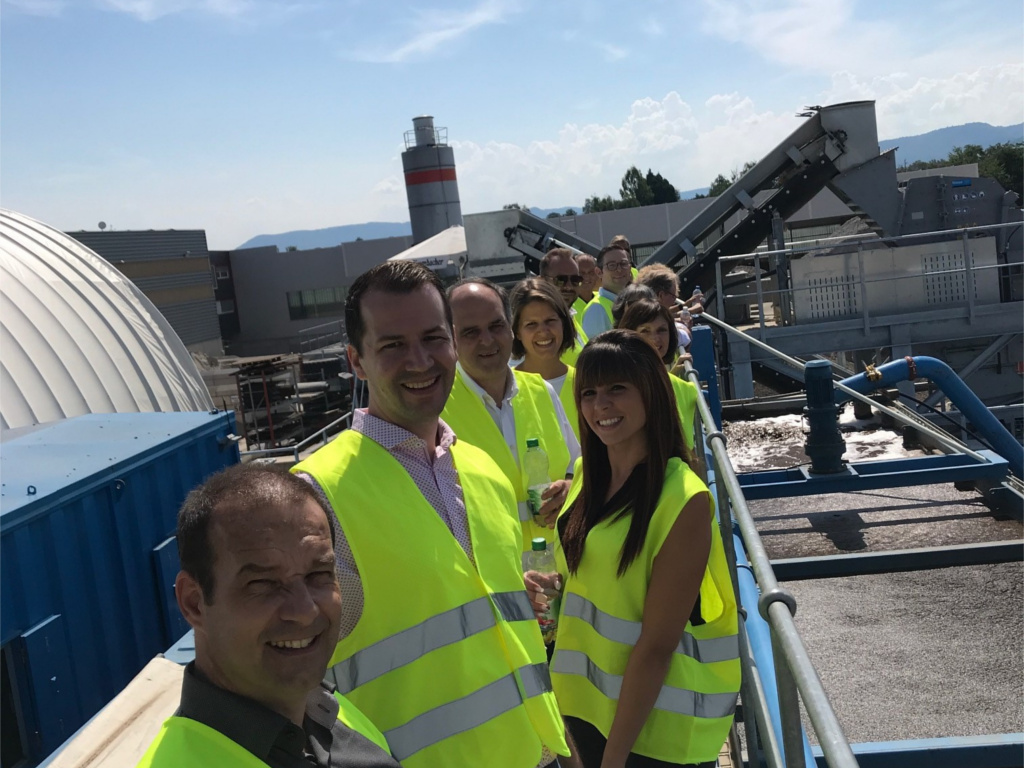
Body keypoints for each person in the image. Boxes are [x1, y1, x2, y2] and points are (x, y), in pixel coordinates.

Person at [291, 261, 569, 768]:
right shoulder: (315, 497)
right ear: (356, 361)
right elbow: (293, 679)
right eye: (393, 345)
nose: (419, 361)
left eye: (434, 338)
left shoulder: (481, 469)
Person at [537, 331, 740, 767]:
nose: (600, 405)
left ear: (650, 392)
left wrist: (614, 758)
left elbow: (656, 646)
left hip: (652, 732)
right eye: (588, 393)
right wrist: (551, 586)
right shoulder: (585, 477)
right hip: (584, 706)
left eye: (617, 389)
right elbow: (595, 581)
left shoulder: (682, 498)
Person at [139, 464, 400, 768]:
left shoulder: (331, 711)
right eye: (263, 583)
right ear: (194, 603)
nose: (305, 611)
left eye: (318, 574)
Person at [442, 277, 581, 551]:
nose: (487, 340)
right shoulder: (438, 407)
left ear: (510, 328)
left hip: (557, 563)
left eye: (496, 326)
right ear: (449, 337)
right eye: (471, 332)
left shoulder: (541, 391)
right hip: (491, 571)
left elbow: (576, 466)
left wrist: (569, 487)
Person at [617, 299, 699, 451]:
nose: (655, 338)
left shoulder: (684, 388)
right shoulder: (618, 387)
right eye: (645, 331)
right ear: (629, 334)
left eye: (662, 330)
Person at [510, 277, 580, 439]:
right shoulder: (505, 390)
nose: (543, 331)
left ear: (564, 323)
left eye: (550, 321)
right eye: (531, 324)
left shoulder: (584, 383)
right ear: (517, 332)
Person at [539, 247, 588, 364]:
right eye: (560, 280)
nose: (569, 287)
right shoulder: (535, 326)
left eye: (575, 280)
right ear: (542, 281)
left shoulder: (570, 317)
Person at [581, 246, 634, 339]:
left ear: (630, 268)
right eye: (612, 265)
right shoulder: (596, 310)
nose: (619, 269)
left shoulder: (631, 301)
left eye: (623, 264)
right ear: (599, 272)